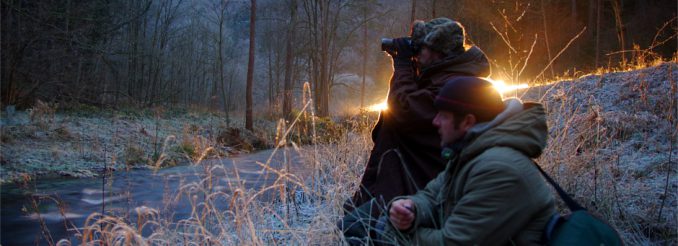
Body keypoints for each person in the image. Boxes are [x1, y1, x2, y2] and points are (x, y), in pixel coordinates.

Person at [383, 76, 556, 245]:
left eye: (443, 116)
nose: (435, 122)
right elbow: (432, 196)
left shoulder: (498, 170)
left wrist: (396, 234)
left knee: (378, 228)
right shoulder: (471, 154)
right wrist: (411, 210)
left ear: (467, 121)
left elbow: (454, 242)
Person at [346, 18, 491, 214]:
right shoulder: (442, 76)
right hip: (407, 182)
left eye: (421, 48)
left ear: (438, 52)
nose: (417, 54)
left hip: (418, 188)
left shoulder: (454, 86)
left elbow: (403, 110)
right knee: (354, 225)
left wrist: (403, 65)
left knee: (357, 229)